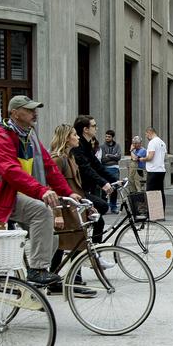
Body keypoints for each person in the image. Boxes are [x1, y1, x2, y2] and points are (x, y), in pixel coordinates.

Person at [0, 95, 78, 286]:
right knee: (42, 212)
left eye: (35, 109)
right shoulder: (1, 138)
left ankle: (37, 283)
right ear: (15, 113)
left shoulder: (29, 136)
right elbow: (10, 170)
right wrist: (41, 191)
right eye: (29, 109)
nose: (35, 113)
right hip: (0, 197)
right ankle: (37, 270)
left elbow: (49, 167)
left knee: (52, 238)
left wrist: (67, 192)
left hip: (20, 194)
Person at [49, 124, 105, 298]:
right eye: (74, 135)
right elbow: (53, 187)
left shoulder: (69, 157)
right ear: (66, 138)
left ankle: (58, 280)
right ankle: (70, 280)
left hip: (74, 207)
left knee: (68, 244)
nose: (78, 137)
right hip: (64, 209)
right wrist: (57, 214)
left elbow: (76, 187)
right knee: (72, 244)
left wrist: (87, 204)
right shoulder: (58, 159)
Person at [71, 115, 114, 214]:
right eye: (94, 126)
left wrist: (114, 180)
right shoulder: (77, 147)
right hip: (78, 189)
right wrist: (103, 183)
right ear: (85, 129)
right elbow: (85, 168)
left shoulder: (87, 144)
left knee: (99, 214)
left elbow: (97, 165)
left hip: (86, 187)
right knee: (102, 207)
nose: (96, 128)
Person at [140, 126, 167, 209]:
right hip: (161, 170)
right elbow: (164, 156)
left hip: (153, 170)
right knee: (160, 192)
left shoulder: (152, 142)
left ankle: (153, 213)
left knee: (151, 192)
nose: (146, 137)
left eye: (146, 134)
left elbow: (150, 156)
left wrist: (143, 159)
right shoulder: (162, 142)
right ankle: (161, 212)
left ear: (149, 132)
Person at [99, 129, 122, 213]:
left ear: (112, 137)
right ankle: (104, 207)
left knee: (114, 188)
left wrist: (108, 155)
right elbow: (103, 159)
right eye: (106, 136)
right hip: (105, 168)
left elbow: (119, 157)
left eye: (109, 137)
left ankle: (113, 206)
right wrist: (113, 156)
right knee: (104, 187)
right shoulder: (102, 147)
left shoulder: (117, 146)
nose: (107, 138)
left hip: (115, 169)